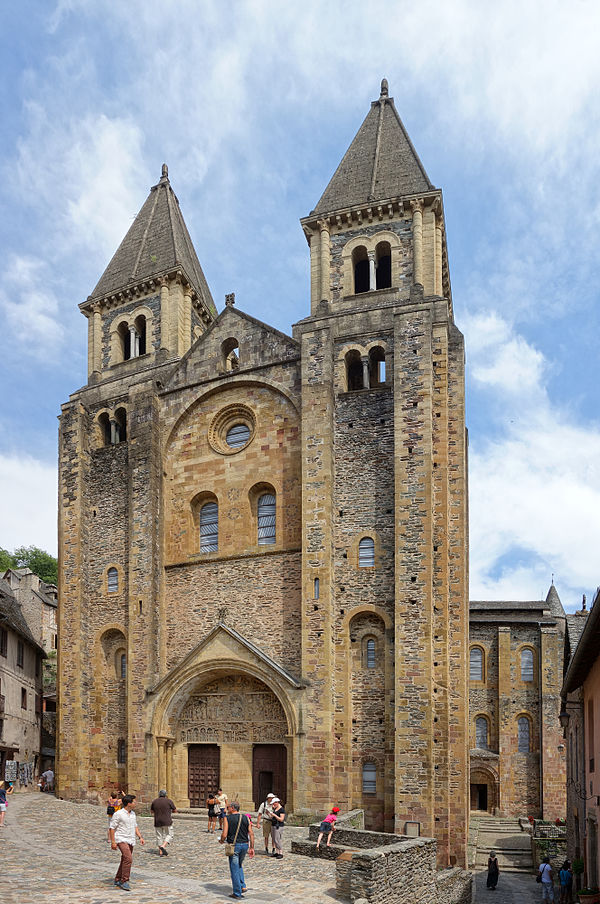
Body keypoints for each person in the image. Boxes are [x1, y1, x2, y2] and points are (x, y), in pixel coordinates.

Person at [109, 793, 145, 891]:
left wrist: (140, 837)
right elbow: (112, 828)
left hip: (130, 839)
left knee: (124, 859)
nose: (135, 803)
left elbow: (135, 826)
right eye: (134, 802)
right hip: (121, 838)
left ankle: (118, 878)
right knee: (128, 859)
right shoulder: (119, 814)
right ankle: (124, 881)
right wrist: (113, 842)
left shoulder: (133, 814)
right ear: (129, 803)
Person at [219, 801, 255, 900]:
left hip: (234, 846)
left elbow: (224, 834)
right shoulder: (246, 817)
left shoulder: (227, 818)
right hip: (245, 845)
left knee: (234, 868)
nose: (226, 809)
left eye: (228, 807)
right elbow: (251, 834)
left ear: (233, 808)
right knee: (239, 865)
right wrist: (252, 847)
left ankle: (237, 892)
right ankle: (243, 885)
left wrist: (221, 840)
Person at [150, 789, 176, 856]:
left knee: (159, 836)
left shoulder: (154, 801)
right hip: (167, 821)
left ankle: (160, 852)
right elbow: (175, 810)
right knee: (170, 834)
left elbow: (152, 811)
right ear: (165, 795)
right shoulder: (168, 801)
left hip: (157, 820)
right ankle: (163, 846)